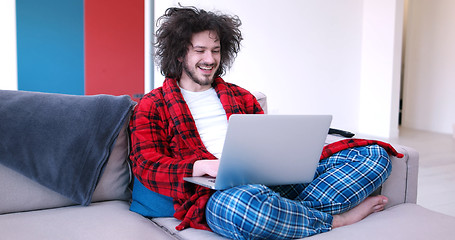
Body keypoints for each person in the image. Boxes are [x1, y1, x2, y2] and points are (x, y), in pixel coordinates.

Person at [129, 6, 402, 239]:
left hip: (269, 182)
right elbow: (146, 165)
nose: (210, 59)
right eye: (200, 50)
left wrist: (289, 157)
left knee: (375, 155)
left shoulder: (241, 96)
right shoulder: (153, 105)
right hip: (219, 195)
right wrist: (201, 166)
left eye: (216, 50)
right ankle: (335, 221)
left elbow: (267, 144)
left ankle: (284, 213)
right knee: (245, 207)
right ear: (179, 54)